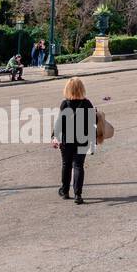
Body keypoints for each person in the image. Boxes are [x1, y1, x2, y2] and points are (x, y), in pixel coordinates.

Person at [52, 76, 95, 205]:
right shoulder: (87, 103)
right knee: (78, 166)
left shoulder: (65, 103)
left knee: (66, 164)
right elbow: (92, 123)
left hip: (67, 139)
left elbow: (60, 123)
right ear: (82, 89)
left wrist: (55, 136)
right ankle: (78, 194)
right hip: (82, 139)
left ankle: (65, 191)